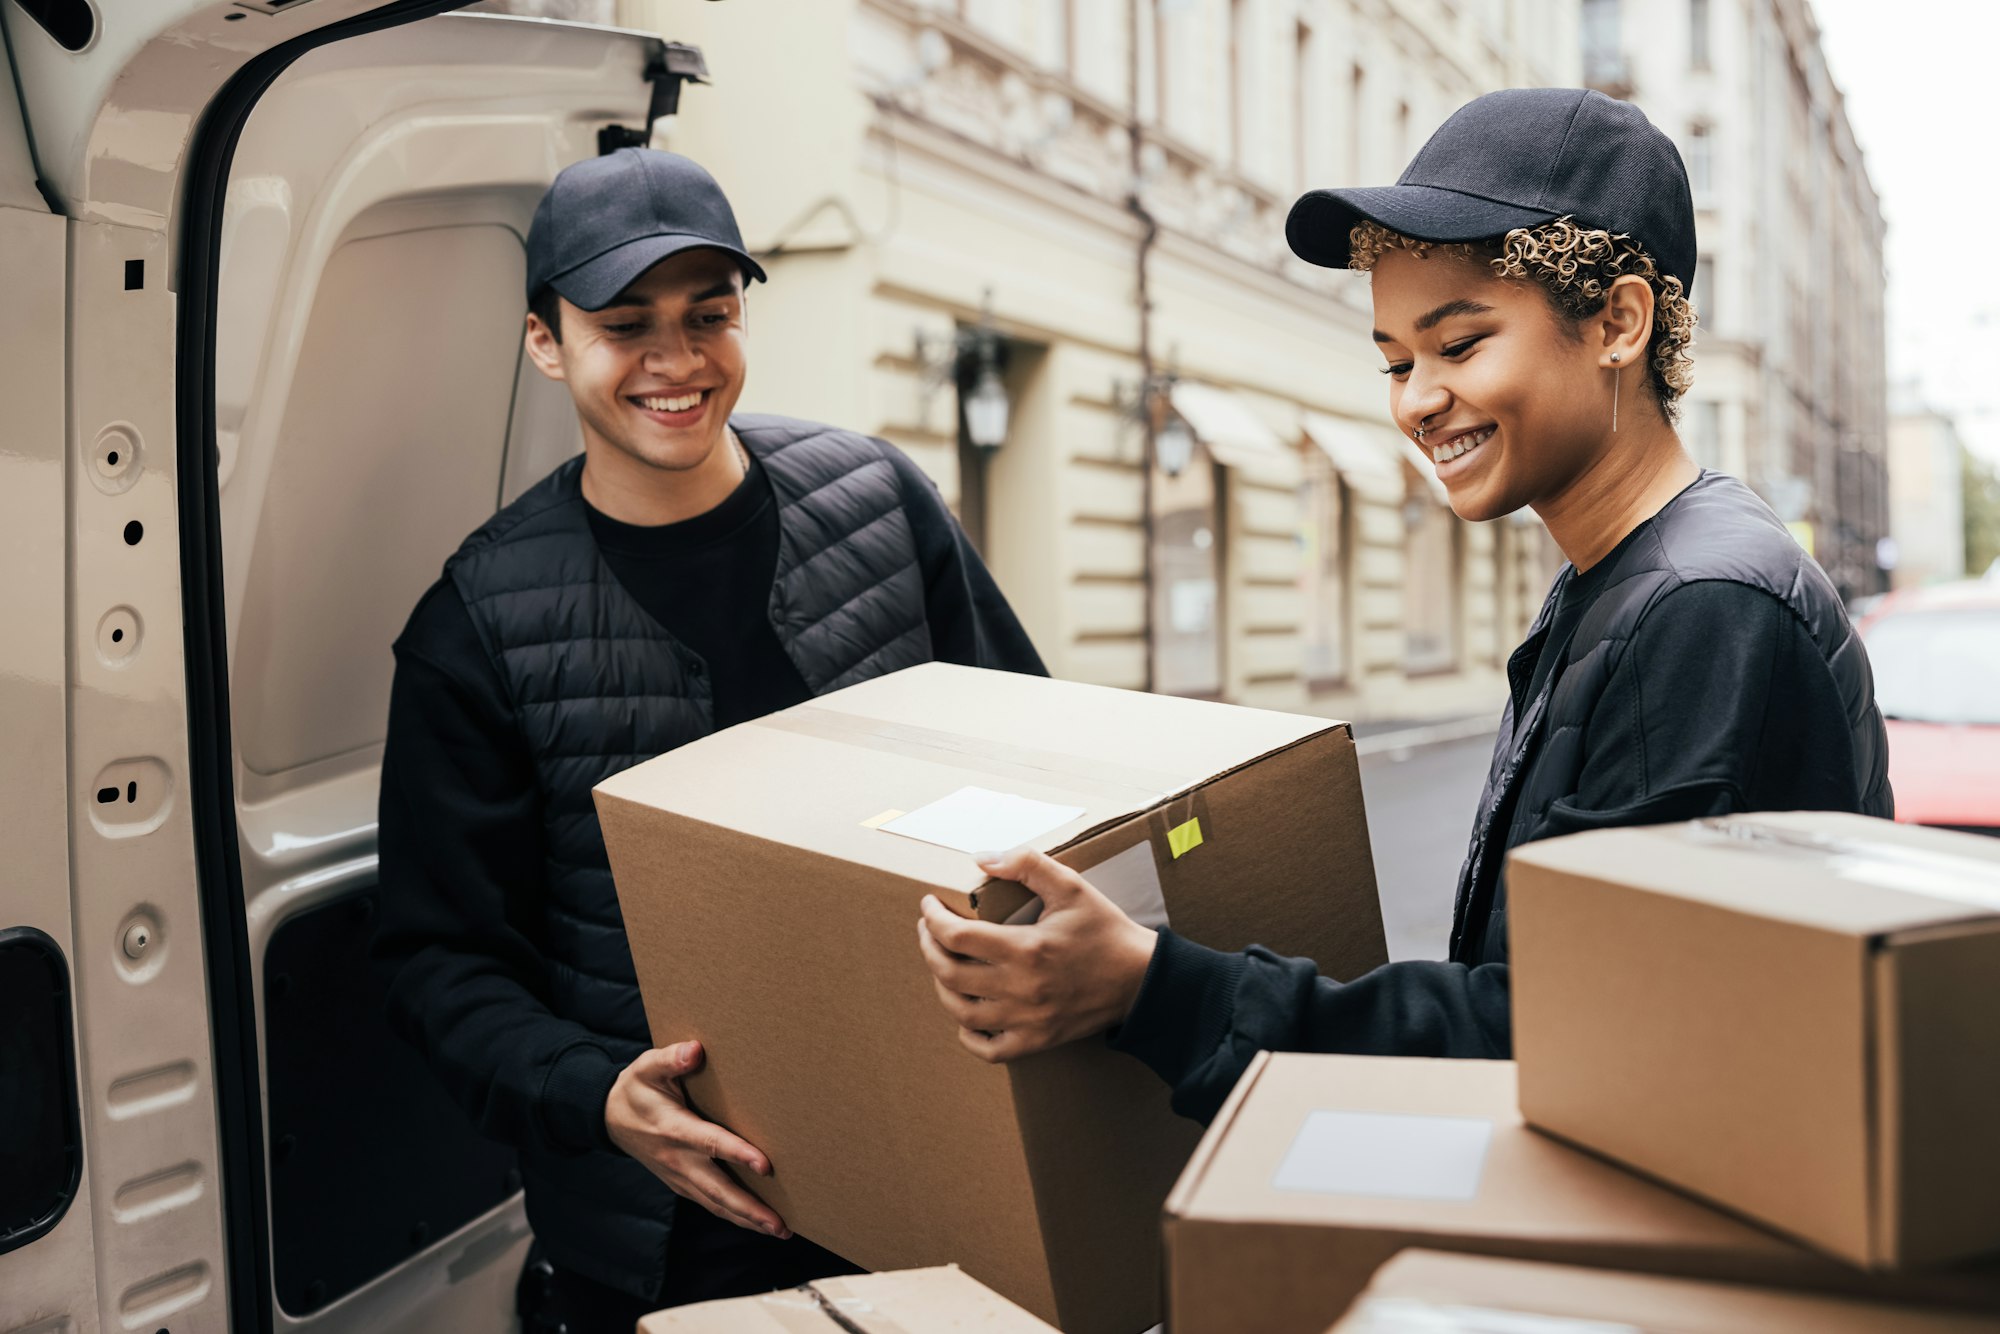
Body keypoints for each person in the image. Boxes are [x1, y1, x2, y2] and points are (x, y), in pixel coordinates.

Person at [915, 87, 1891, 1125]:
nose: (1416, 399)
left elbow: (1562, 1039)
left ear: (1615, 321)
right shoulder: (1634, 575)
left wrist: (1153, 988)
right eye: (1393, 360)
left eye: (1458, 344)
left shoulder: (1699, 604)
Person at [372, 148, 1044, 1334]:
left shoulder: (881, 502)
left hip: (941, 1163)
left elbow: (1038, 760)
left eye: (709, 316)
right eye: (625, 324)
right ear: (544, 340)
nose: (675, 361)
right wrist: (598, 1096)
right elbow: (441, 963)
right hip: (659, 1234)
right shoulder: (473, 624)